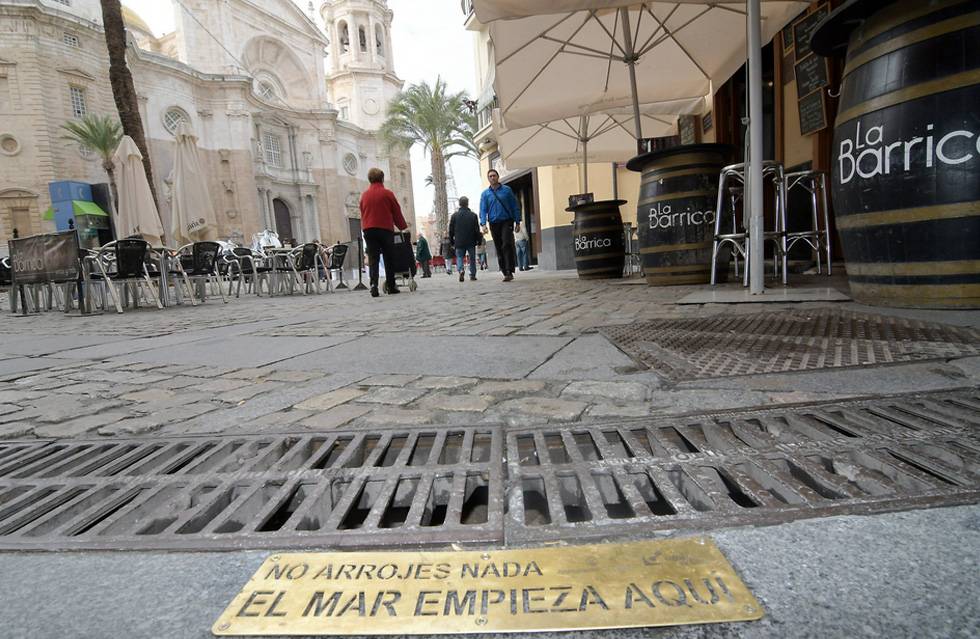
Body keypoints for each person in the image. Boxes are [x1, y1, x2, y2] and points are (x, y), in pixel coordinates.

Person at [359, 167, 408, 297]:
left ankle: (373, 285)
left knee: (373, 258)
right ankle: (391, 285)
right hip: (385, 228)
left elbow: (362, 212)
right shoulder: (387, 194)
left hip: (369, 229)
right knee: (388, 257)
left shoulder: (364, 195)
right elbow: (396, 211)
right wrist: (402, 226)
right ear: (382, 179)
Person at [479, 168, 521, 281]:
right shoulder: (485, 194)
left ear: (498, 177)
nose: (492, 178)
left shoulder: (507, 190)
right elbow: (483, 210)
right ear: (488, 179)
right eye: (490, 176)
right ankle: (504, 270)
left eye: (494, 175)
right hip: (494, 223)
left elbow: (514, 206)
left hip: (507, 221)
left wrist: (517, 222)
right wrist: (483, 224)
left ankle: (509, 271)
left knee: (506, 244)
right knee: (499, 246)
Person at [448, 196, 480, 282]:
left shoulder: (454, 216)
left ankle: (461, 270)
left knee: (459, 257)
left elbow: (451, 230)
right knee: (472, 258)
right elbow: (477, 229)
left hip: (459, 241)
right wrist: (479, 240)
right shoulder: (473, 215)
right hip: (471, 240)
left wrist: (451, 241)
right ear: (467, 203)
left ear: (459, 204)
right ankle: (472, 274)